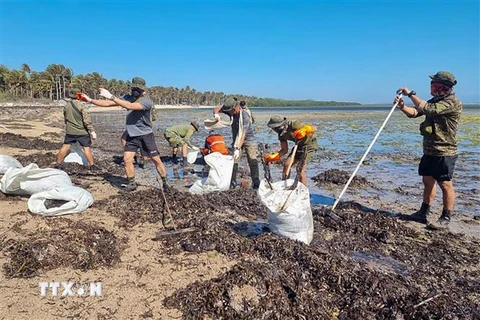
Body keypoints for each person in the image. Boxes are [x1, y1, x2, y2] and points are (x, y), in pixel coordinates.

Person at [395, 71, 462, 225]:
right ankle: (423, 212)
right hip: (429, 150)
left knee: (445, 183)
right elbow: (415, 112)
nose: (431, 86)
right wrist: (402, 106)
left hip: (445, 150)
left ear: (443, 86)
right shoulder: (434, 101)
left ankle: (446, 216)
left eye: (434, 84)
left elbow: (428, 109)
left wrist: (411, 93)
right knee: (428, 181)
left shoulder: (451, 102)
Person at [79, 77, 169, 192]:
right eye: (134, 88)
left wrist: (111, 96)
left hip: (145, 135)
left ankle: (165, 182)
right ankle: (131, 183)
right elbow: (107, 103)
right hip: (131, 135)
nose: (135, 90)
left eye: (138, 88)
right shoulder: (127, 98)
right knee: (127, 160)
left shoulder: (146, 101)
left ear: (143, 90)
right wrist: (90, 100)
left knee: (156, 160)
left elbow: (130, 106)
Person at [213, 98, 260, 189]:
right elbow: (216, 109)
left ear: (234, 109)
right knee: (234, 161)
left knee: (252, 159)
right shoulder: (229, 110)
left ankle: (256, 181)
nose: (228, 114)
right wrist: (216, 115)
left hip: (248, 139)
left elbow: (243, 134)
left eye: (229, 112)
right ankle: (232, 181)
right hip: (236, 140)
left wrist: (238, 149)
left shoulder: (245, 116)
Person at [264, 116, 318, 186]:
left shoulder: (293, 124)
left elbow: (315, 128)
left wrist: (304, 130)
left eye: (276, 127)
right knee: (287, 164)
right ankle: (284, 184)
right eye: (273, 128)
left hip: (309, 145)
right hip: (298, 146)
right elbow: (284, 150)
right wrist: (272, 157)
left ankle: (303, 190)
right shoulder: (281, 135)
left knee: (300, 170)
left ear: (282, 125)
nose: (275, 130)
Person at [56, 89, 99, 170]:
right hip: (82, 132)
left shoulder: (66, 106)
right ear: (79, 96)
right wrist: (92, 131)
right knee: (86, 148)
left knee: (65, 147)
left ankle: (58, 163)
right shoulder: (81, 106)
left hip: (70, 131)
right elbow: (87, 120)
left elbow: (66, 119)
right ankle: (92, 165)